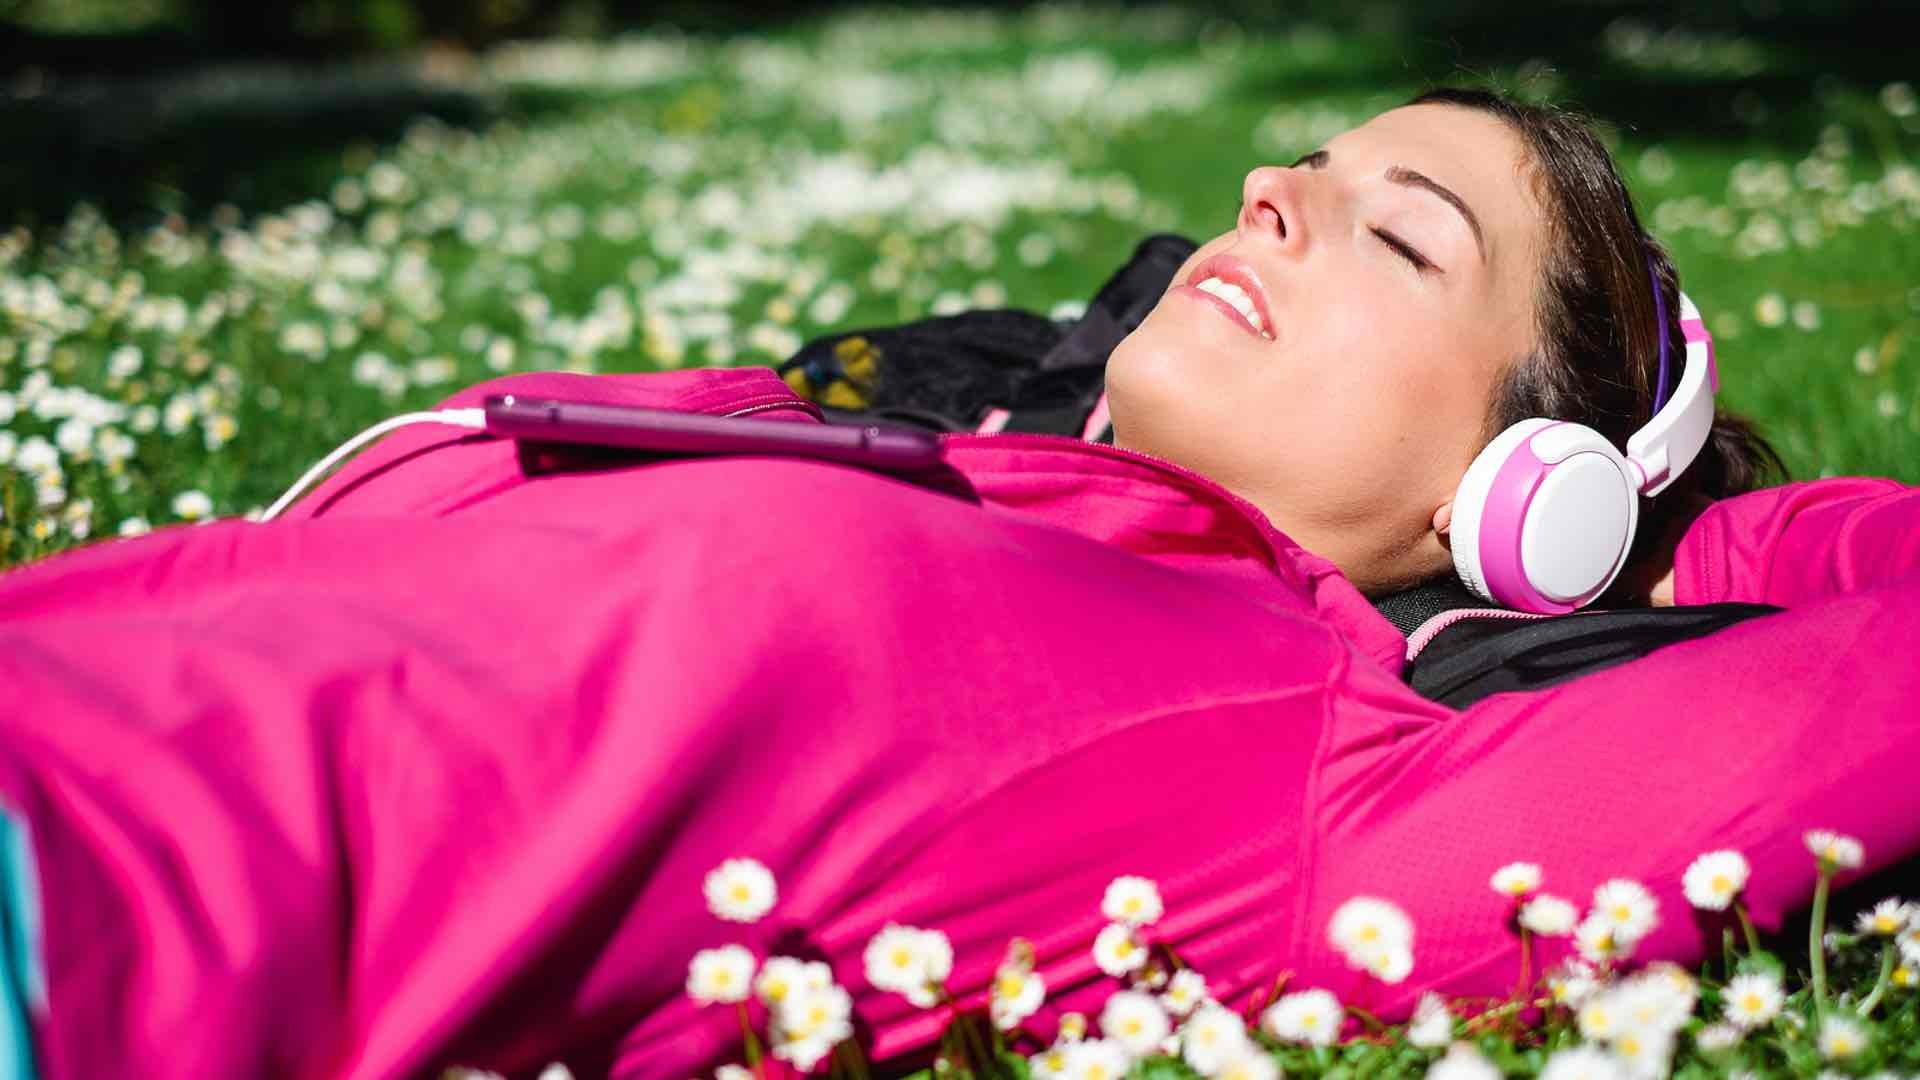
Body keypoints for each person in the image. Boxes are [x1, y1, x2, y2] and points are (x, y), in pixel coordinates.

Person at [1, 88, 1918, 1079]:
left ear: (1521, 501)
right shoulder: (951, 452)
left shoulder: (1318, 783)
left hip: (92, 941)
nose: (1271, 192)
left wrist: (1694, 528)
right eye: (1308, 167)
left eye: (1396, 237)